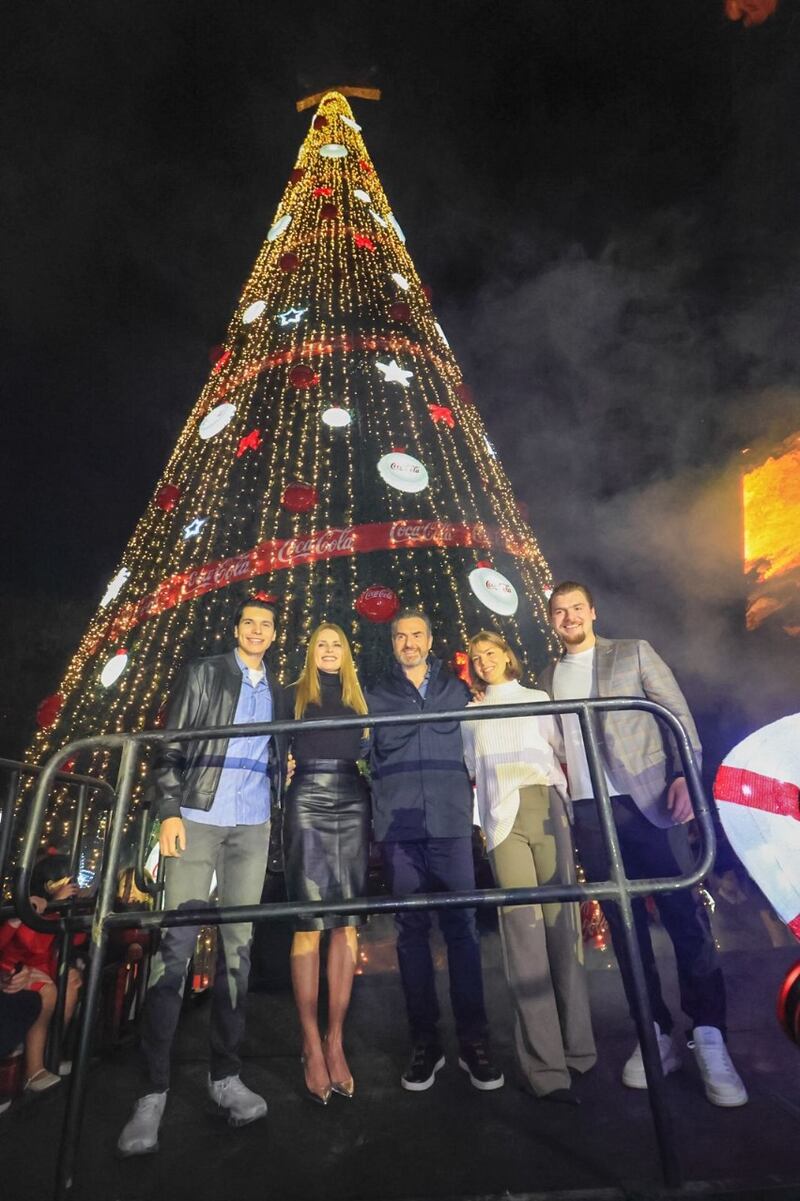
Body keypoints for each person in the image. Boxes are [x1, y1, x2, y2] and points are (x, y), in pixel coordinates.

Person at [539, 581, 747, 1107]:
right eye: (559, 611)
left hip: (650, 802)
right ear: (550, 619)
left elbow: (678, 718)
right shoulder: (547, 676)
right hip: (589, 812)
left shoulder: (632, 652)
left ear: (592, 611)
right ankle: (653, 1032)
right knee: (622, 924)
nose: (568, 617)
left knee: (684, 915)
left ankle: (708, 1034)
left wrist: (683, 775)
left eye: (576, 608)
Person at [117, 594, 289, 1156]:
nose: (258, 630)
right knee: (176, 946)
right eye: (250, 622)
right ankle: (153, 1090)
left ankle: (226, 1077)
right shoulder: (205, 673)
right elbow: (169, 747)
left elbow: (277, 755)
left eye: (267, 624)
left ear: (274, 633)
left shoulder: (280, 693)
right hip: (196, 820)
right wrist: (168, 809)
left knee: (238, 948)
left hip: (253, 826)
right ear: (236, 628)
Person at [367, 609, 503, 1092]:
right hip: (401, 829)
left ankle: (474, 1040)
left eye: (417, 634)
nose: (409, 642)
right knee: (411, 932)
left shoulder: (458, 689)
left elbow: (483, 733)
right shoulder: (375, 693)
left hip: (449, 825)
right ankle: (425, 1041)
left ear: (430, 640)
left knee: (463, 929)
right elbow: (356, 746)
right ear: (392, 643)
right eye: (400, 636)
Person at [463, 630, 596, 1104]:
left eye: (491, 653)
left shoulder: (538, 698)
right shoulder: (471, 714)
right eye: (477, 658)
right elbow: (472, 769)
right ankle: (545, 1067)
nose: (484, 662)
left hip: (547, 808)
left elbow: (560, 750)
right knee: (524, 936)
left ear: (506, 655)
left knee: (563, 930)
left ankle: (580, 1050)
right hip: (503, 821)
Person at [284, 623, 370, 1104]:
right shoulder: (292, 695)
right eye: (322, 644)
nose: (330, 651)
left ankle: (336, 1040)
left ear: (346, 654)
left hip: (352, 797)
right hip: (307, 800)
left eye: (337, 645)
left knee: (347, 923)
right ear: (310, 652)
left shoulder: (361, 698)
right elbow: (276, 751)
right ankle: (310, 1043)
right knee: (309, 922)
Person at [0, 852, 84, 1094]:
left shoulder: (53, 911)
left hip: (41, 967)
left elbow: (76, 938)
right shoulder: (27, 907)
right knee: (47, 990)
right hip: (12, 969)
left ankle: (50, 1053)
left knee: (69, 986)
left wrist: (68, 910)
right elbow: (26, 944)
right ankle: (33, 1070)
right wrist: (43, 911)